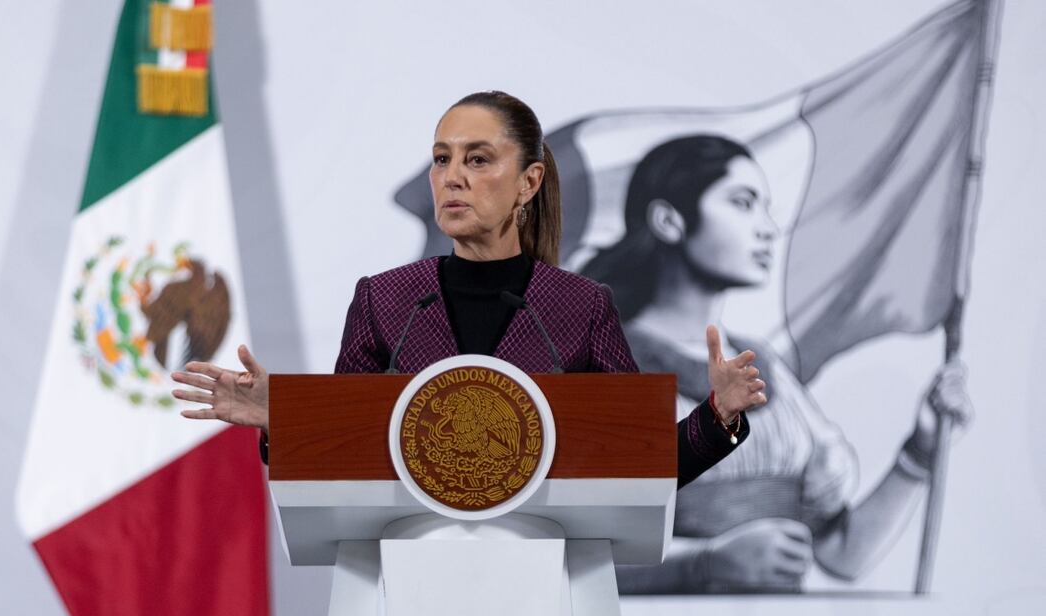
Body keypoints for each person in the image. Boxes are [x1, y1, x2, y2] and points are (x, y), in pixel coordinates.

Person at [170, 92, 769, 488]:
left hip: (542, 589)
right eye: (441, 159)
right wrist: (287, 423)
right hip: (416, 588)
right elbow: (346, 462)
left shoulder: (581, 308)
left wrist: (717, 415)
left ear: (528, 182)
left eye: (478, 159)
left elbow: (641, 464)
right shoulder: (386, 302)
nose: (451, 176)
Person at [579, 134, 972, 593]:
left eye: (766, 207)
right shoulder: (603, 364)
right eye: (742, 203)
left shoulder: (768, 370)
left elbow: (841, 554)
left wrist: (921, 451)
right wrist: (705, 564)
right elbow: (574, 556)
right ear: (669, 221)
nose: (767, 228)